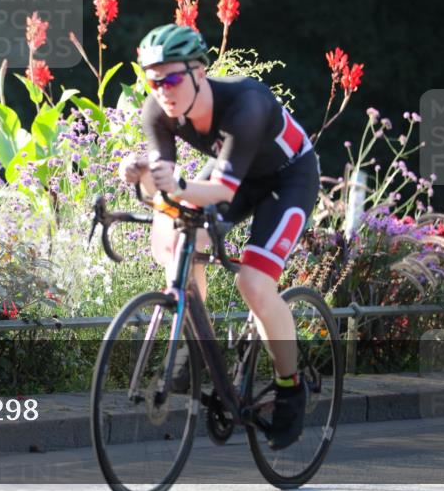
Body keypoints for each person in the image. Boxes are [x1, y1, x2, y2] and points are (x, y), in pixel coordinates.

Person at [118, 23, 321, 451]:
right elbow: (165, 187)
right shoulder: (158, 111)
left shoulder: (246, 104)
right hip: (238, 175)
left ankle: (290, 387)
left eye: (172, 78)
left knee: (254, 283)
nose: (163, 90)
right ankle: (195, 347)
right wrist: (143, 178)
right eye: (152, 80)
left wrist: (172, 187)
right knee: (178, 240)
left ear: (199, 72)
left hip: (288, 179)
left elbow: (221, 191)